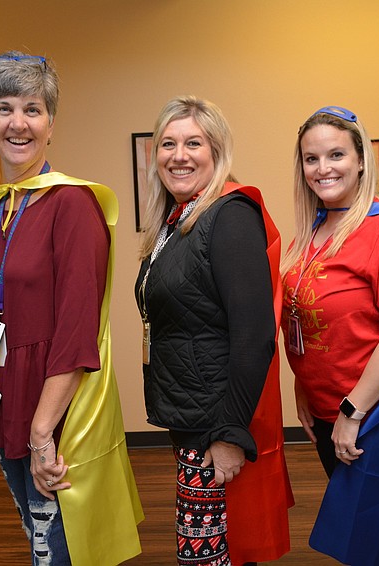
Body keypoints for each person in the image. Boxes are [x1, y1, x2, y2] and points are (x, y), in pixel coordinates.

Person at [0, 51, 143, 565]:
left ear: (51, 124)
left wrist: (41, 432)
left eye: (33, 108)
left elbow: (75, 331)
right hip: (9, 405)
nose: (18, 123)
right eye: (3, 108)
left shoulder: (72, 204)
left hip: (53, 412)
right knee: (40, 543)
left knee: (63, 550)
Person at [280, 106, 379, 566]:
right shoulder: (312, 232)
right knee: (362, 542)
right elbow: (309, 317)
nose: (323, 168)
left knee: (372, 540)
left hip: (374, 415)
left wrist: (353, 412)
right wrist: (303, 385)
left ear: (360, 160)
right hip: (328, 411)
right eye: (311, 159)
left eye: (335, 155)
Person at [135, 95, 293, 566]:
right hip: (190, 415)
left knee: (205, 557)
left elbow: (255, 334)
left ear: (217, 151)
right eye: (168, 143)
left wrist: (227, 434)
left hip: (212, 424)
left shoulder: (228, 216)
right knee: (207, 553)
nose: (178, 155)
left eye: (193, 143)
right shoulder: (177, 220)